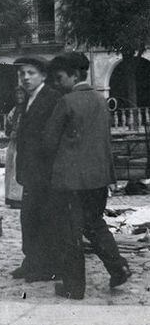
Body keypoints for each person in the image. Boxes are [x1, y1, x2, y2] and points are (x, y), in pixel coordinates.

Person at [44, 52, 131, 300]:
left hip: (71, 181)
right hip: (99, 177)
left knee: (70, 233)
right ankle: (118, 267)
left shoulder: (66, 102)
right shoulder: (100, 100)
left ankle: (74, 287)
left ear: (74, 75)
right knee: (95, 224)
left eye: (60, 78)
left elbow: (49, 142)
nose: (58, 83)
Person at [11, 56, 61, 282]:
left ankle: (46, 266)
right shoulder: (26, 100)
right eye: (22, 73)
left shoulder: (51, 98)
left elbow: (53, 138)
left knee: (45, 220)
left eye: (30, 73)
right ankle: (30, 261)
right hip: (30, 172)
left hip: (45, 172)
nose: (25, 77)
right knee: (28, 218)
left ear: (43, 75)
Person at [4, 86, 26, 208]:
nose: (19, 97)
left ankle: (20, 198)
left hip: (23, 144)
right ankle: (11, 197)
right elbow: (8, 124)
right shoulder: (14, 110)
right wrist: (10, 132)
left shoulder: (27, 109)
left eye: (21, 94)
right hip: (14, 144)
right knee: (11, 169)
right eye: (17, 95)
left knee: (19, 169)